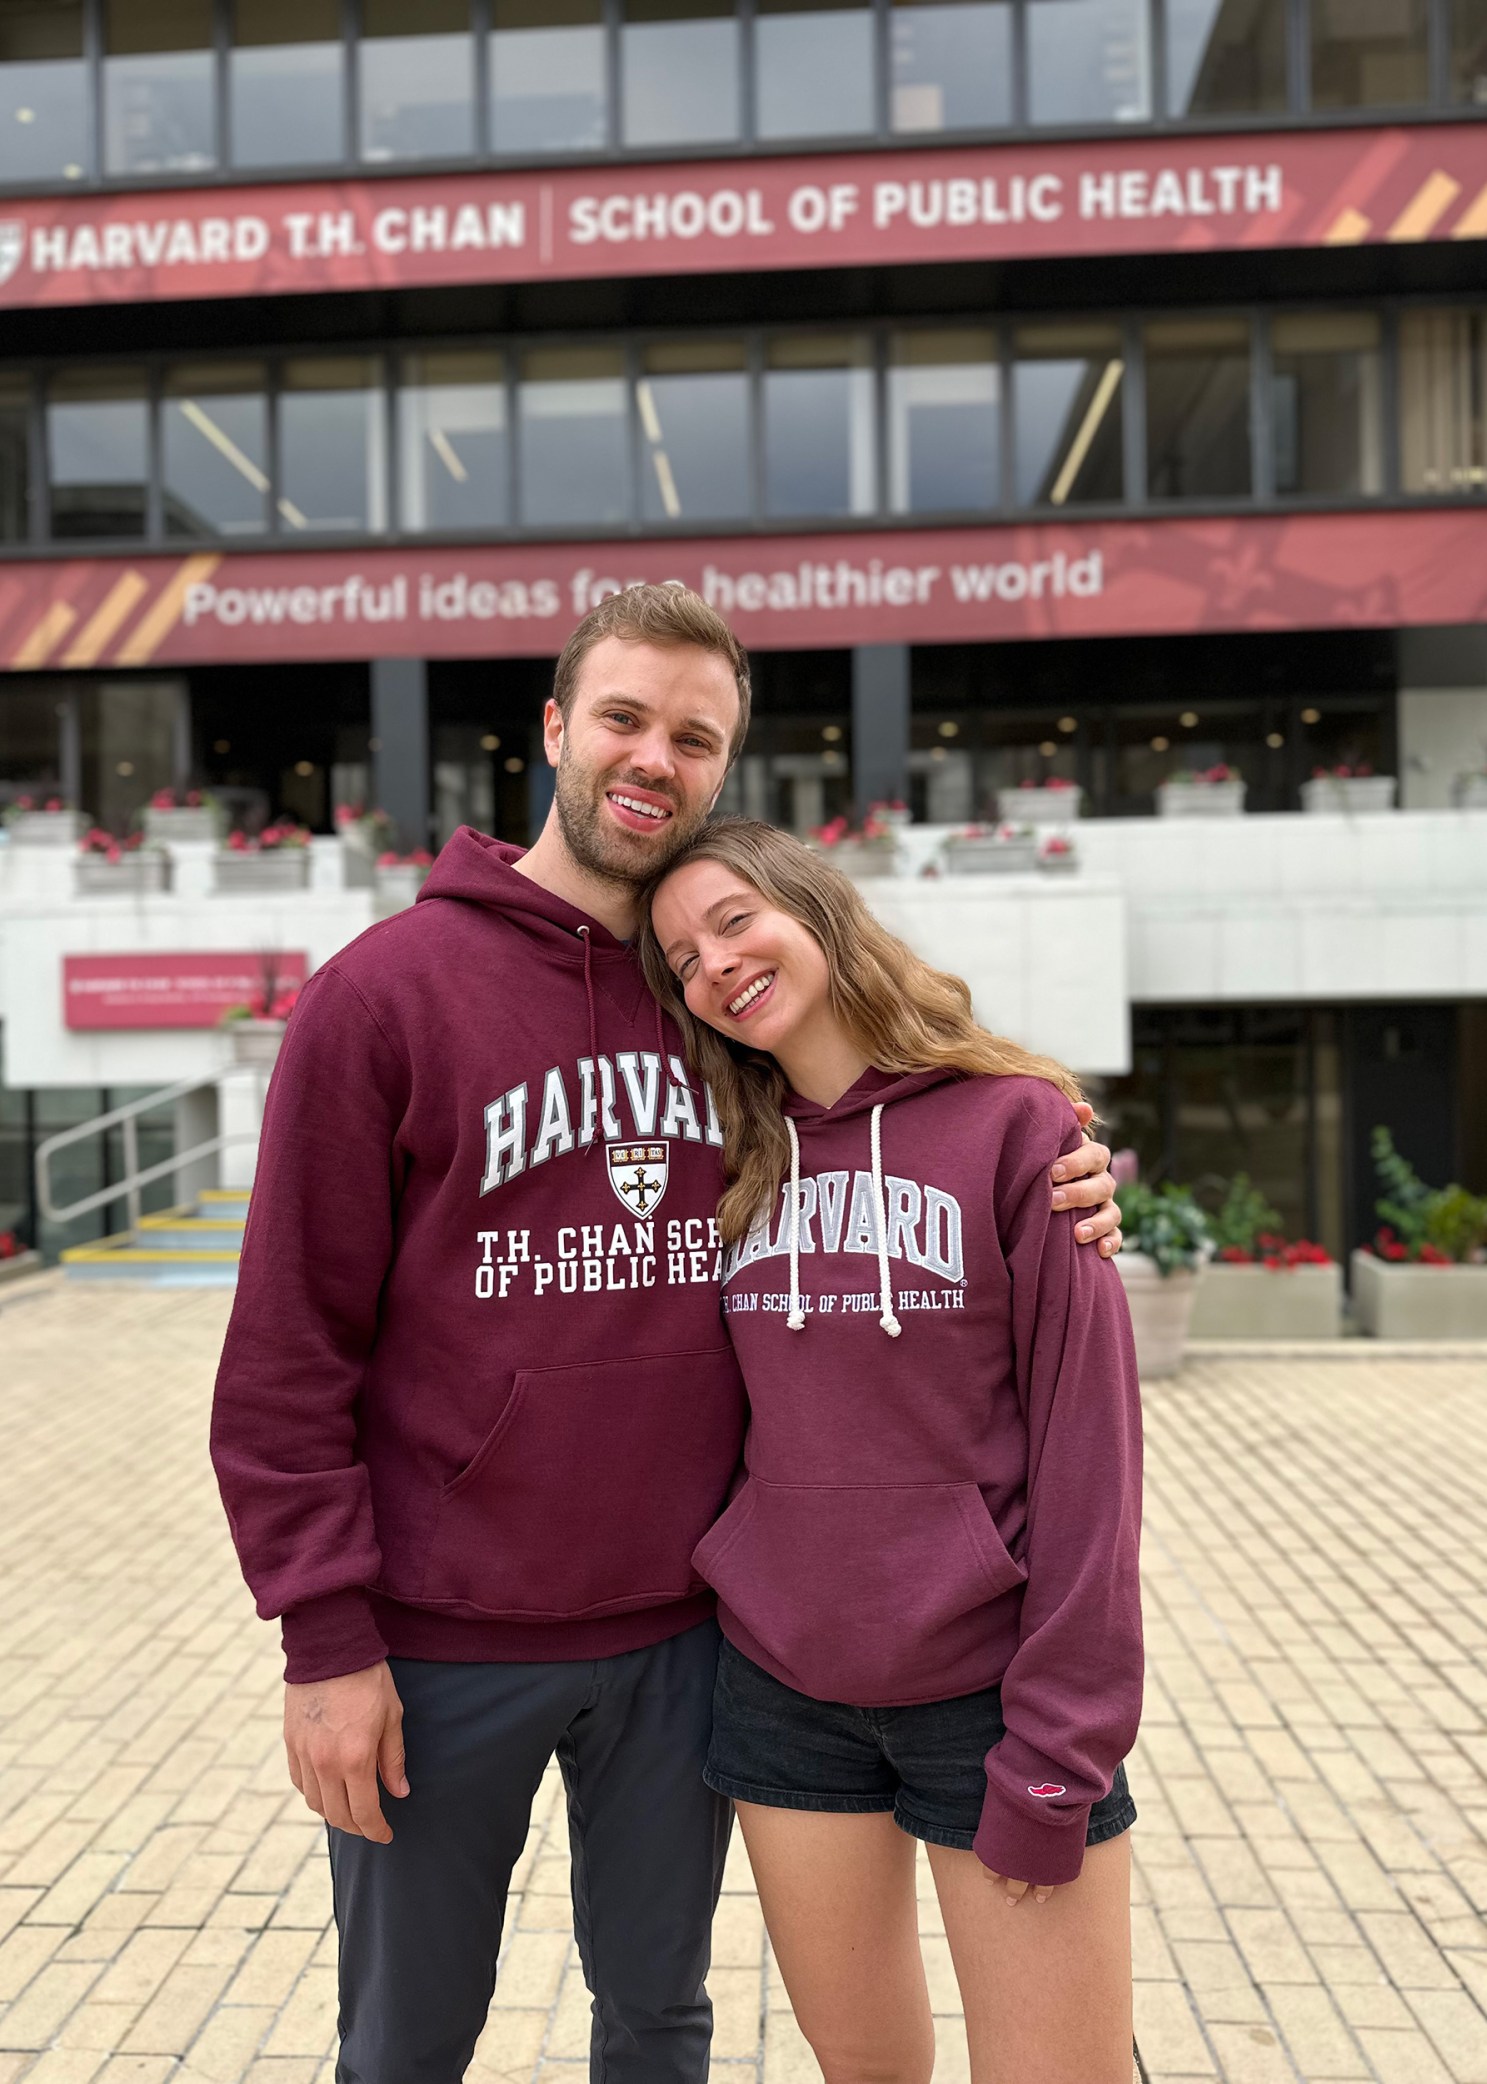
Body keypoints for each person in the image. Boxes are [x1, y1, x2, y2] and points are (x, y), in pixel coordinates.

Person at [209, 584, 1125, 2084]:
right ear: (558, 728)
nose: (654, 756)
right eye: (625, 718)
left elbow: (903, 1120)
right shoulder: (378, 999)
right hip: (441, 1646)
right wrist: (323, 1636)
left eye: (694, 737)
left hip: (688, 1639)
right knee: (406, 2041)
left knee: (658, 2024)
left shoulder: (715, 1011)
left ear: (722, 773)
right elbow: (284, 1357)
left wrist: (1068, 1168)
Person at [640, 816, 1143, 2084]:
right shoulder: (720, 1159)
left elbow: (1093, 1461)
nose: (715, 963)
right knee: (864, 2069)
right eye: (683, 955)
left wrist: (1062, 1740)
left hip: (992, 1694)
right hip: (782, 1693)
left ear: (812, 907)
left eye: (734, 918)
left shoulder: (1019, 1130)